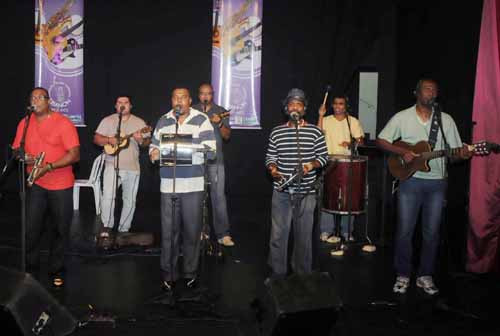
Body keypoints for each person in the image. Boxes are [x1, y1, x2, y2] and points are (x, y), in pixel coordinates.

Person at [376, 79, 472, 295]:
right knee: (405, 231)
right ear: (416, 93)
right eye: (428, 89)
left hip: (437, 183)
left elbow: (455, 155)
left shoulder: (445, 120)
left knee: (431, 232)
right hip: (410, 180)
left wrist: (463, 154)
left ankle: (425, 275)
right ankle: (402, 274)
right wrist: (403, 152)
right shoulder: (402, 117)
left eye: (435, 90)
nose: (432, 92)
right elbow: (381, 140)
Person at [150, 88, 216, 293]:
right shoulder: (163, 120)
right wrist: (153, 153)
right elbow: (153, 147)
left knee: (191, 232)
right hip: (168, 186)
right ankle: (168, 274)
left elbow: (211, 152)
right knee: (169, 233)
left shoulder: (201, 120)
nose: (179, 101)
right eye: (175, 98)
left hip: (193, 186)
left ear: (189, 100)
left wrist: (187, 149)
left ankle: (190, 273)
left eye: (183, 97)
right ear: (171, 100)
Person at [12, 87, 80, 287]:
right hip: (36, 183)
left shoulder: (63, 123)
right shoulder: (24, 123)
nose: (35, 100)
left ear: (48, 101)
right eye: (32, 97)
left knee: (60, 229)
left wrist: (49, 166)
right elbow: (16, 148)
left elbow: (74, 154)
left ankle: (56, 268)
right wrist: (23, 157)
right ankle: (30, 267)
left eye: (39, 97)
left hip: (60, 184)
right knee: (31, 228)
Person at [265, 88, 328, 277]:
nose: (295, 107)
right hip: (282, 190)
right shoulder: (276, 132)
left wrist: (310, 165)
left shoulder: (315, 131)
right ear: (286, 108)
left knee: (303, 236)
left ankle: (302, 273)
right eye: (291, 103)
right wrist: (273, 169)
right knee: (278, 234)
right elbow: (270, 157)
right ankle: (278, 272)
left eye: (299, 104)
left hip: (307, 191)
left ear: (304, 109)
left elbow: (323, 157)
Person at [94, 95, 150, 236]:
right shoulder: (108, 120)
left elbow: (147, 142)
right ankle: (106, 227)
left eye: (126, 102)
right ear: (116, 106)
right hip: (111, 165)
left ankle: (124, 229)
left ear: (130, 106)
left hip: (132, 167)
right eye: (120, 102)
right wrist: (109, 139)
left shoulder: (139, 123)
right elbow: (96, 138)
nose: (123, 105)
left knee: (129, 200)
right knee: (108, 196)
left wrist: (140, 140)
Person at [317, 95, 365, 244]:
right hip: (328, 161)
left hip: (347, 163)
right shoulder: (326, 120)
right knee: (328, 195)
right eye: (336, 104)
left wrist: (351, 144)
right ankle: (326, 230)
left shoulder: (353, 121)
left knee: (348, 197)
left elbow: (361, 142)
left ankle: (346, 231)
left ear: (346, 106)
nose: (338, 106)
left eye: (341, 104)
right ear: (332, 106)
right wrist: (320, 116)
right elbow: (317, 134)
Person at [192, 83, 234, 247]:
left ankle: (223, 234)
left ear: (213, 95)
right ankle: (201, 231)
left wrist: (220, 123)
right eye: (202, 94)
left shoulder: (220, 110)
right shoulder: (192, 110)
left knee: (218, 197)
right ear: (198, 95)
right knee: (197, 198)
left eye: (208, 94)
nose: (205, 97)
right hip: (195, 159)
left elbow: (227, 136)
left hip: (216, 160)